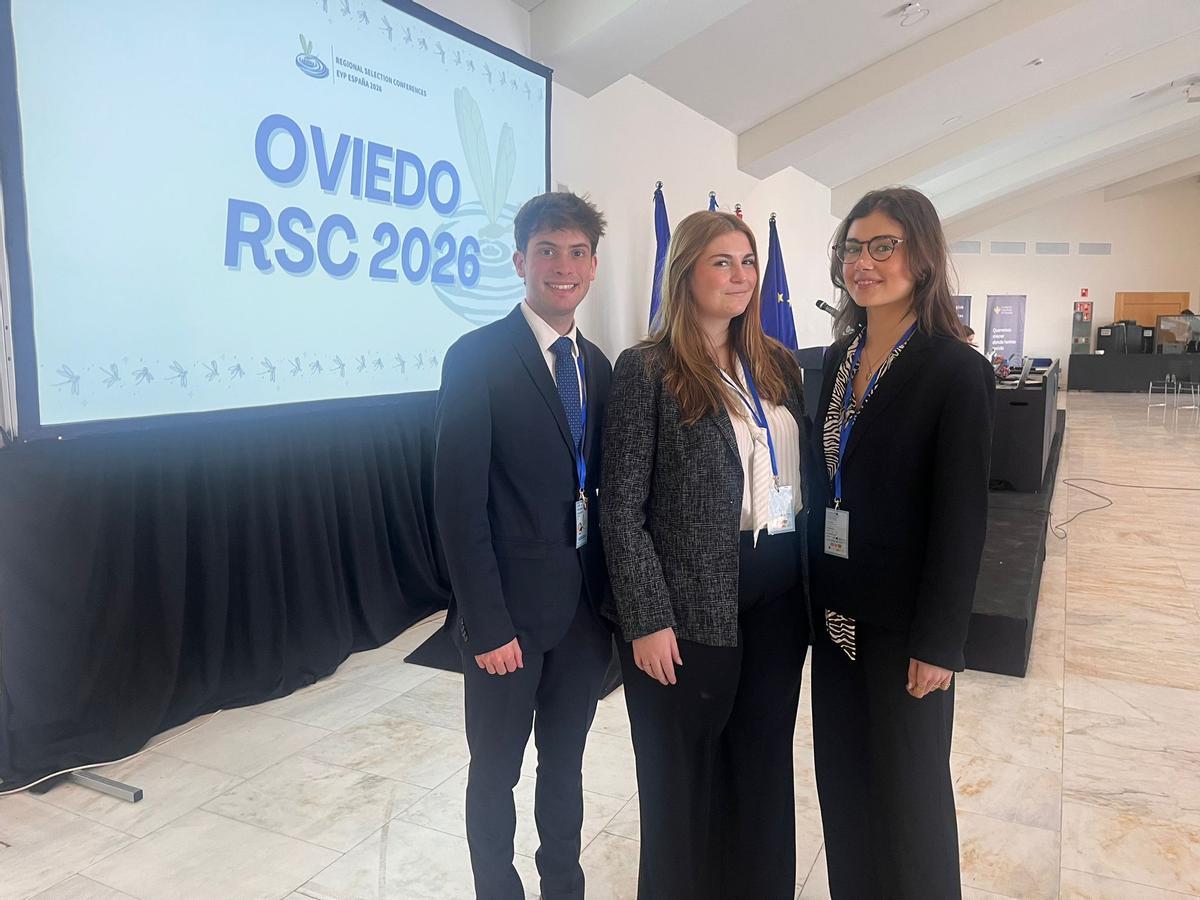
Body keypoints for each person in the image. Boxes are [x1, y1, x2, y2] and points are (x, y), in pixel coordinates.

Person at [601, 210, 810, 900]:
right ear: (685, 272)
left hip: (780, 597)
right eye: (722, 262)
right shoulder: (648, 370)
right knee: (679, 778)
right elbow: (620, 508)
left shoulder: (778, 365)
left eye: (748, 262)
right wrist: (646, 619)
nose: (741, 276)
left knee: (760, 764)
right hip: (690, 606)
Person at [805, 186, 995, 898]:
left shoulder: (955, 370)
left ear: (922, 255)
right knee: (846, 789)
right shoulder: (840, 356)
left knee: (910, 801)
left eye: (884, 245)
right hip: (835, 618)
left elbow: (962, 518)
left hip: (905, 628)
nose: (865, 261)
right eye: (853, 247)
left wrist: (940, 641)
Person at [433, 192, 613, 900]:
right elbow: (458, 503)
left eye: (576, 253)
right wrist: (487, 623)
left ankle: (562, 886)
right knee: (496, 772)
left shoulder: (597, 366)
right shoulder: (476, 356)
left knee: (564, 766)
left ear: (593, 266)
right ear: (519, 261)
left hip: (582, 623)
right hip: (506, 623)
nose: (561, 267)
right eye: (547, 251)